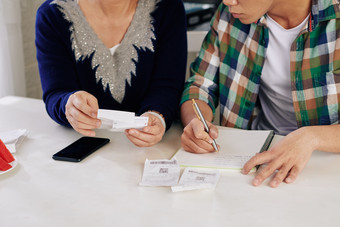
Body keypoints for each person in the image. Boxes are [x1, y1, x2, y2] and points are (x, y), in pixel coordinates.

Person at [180, 0, 340, 187]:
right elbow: (199, 85)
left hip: (324, 167)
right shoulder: (229, 14)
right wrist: (196, 122)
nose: (227, 1)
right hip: (253, 162)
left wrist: (312, 137)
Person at [35, 0, 187, 147]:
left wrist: (156, 115)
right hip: (82, 144)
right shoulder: (52, 15)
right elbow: (56, 92)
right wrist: (69, 105)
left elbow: (167, 86)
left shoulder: (168, 7)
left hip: (152, 148)